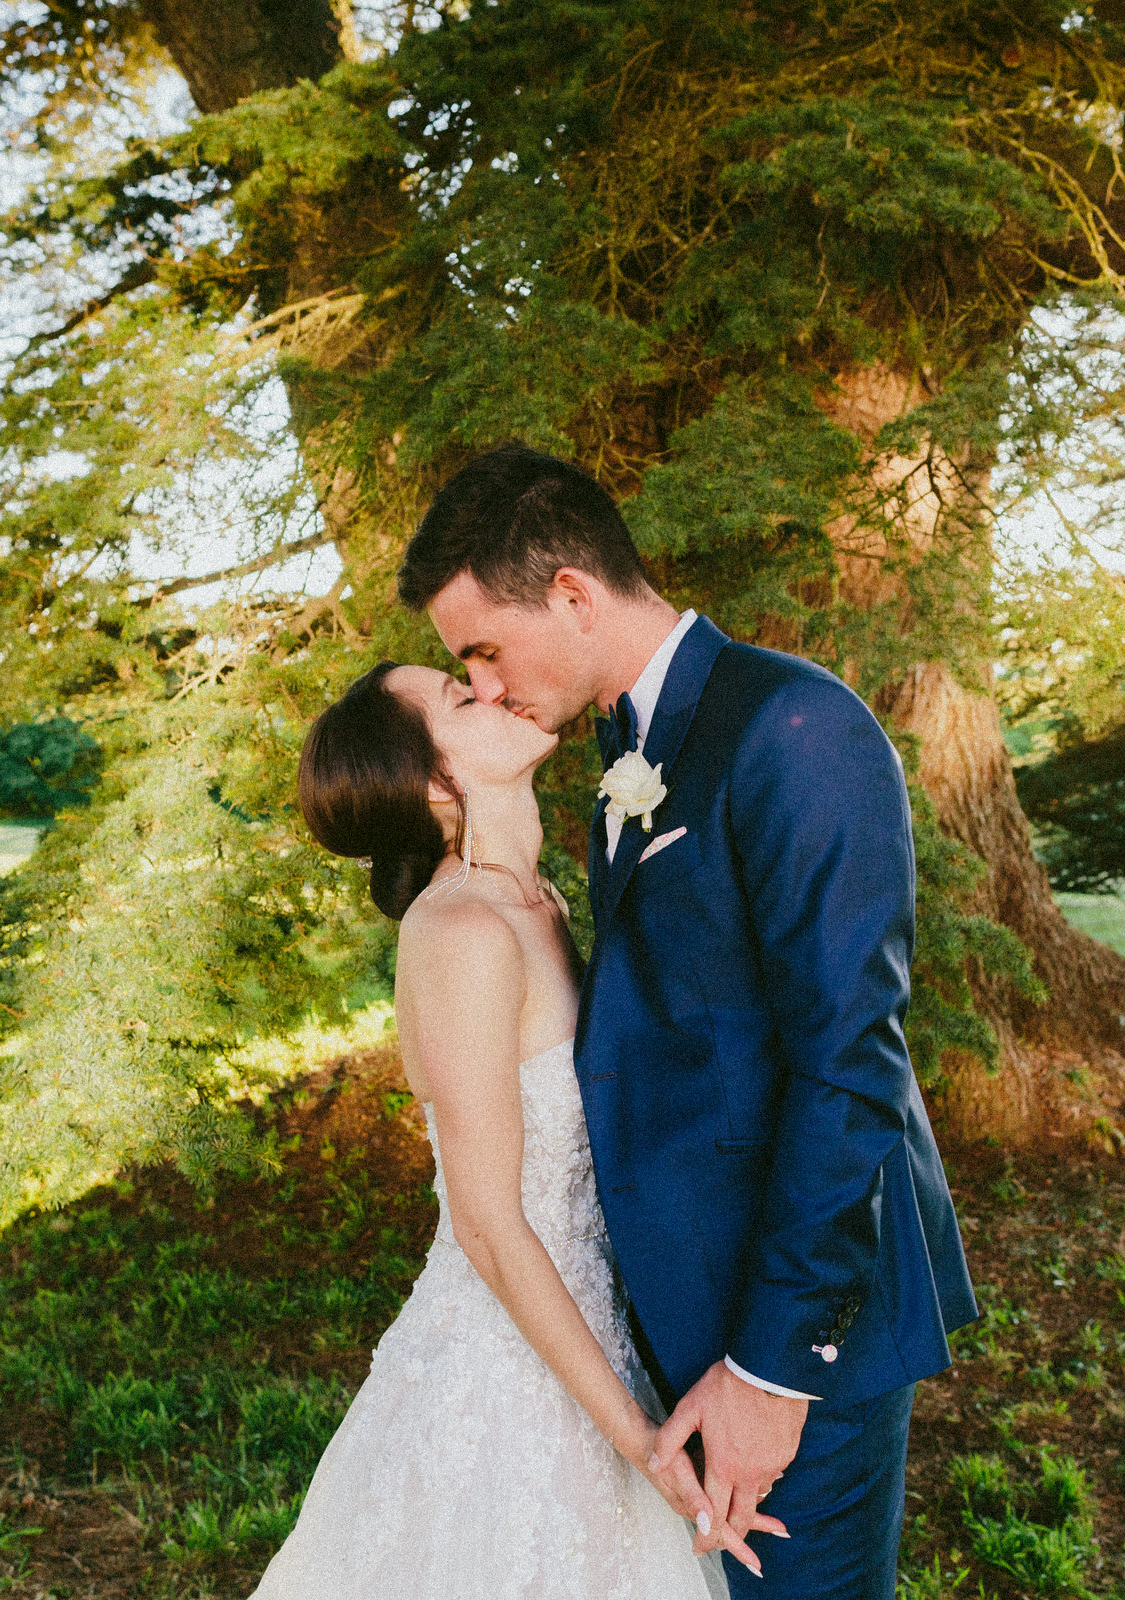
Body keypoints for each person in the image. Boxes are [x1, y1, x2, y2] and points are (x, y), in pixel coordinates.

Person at [397, 443, 977, 1599]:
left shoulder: (796, 729)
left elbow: (849, 1064)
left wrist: (774, 1369)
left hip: (799, 1329)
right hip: (689, 1314)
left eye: (484, 650)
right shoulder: (631, 745)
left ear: (570, 592)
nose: (489, 686)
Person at [258, 654, 748, 1598]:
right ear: (438, 783)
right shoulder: (461, 932)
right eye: (457, 694)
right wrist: (639, 1442)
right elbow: (487, 1220)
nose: (490, 685)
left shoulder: (542, 903)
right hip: (505, 1381)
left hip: (601, 1335)